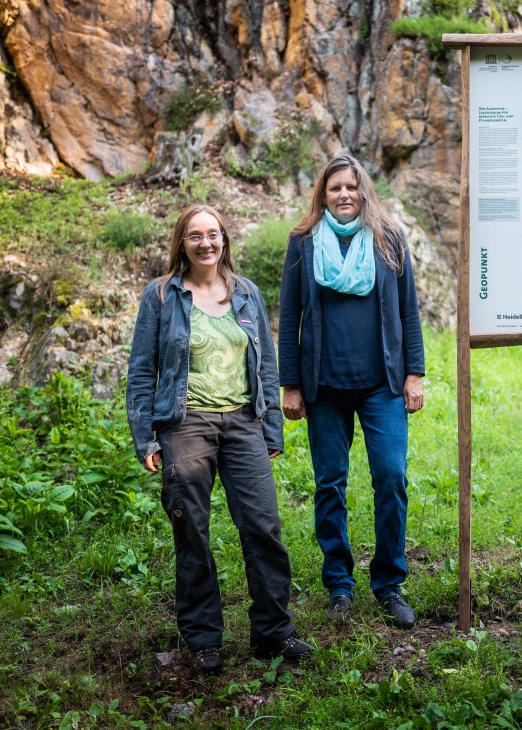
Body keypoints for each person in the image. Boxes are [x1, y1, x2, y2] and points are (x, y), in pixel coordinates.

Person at [126, 204, 313, 675]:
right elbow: (142, 370)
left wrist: (271, 427)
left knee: (263, 526)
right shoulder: (162, 296)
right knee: (192, 532)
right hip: (186, 424)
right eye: (195, 236)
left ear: (224, 239)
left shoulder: (245, 293)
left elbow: (266, 366)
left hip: (244, 424)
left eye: (213, 234)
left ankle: (273, 631)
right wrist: (145, 436)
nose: (206, 243)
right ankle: (204, 638)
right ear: (182, 243)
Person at [278, 154, 425, 629]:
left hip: (382, 383)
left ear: (364, 191)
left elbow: (408, 312)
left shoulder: (387, 238)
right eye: (334, 187)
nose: (344, 195)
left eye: (351, 187)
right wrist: (291, 384)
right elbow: (289, 316)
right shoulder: (302, 243)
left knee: (391, 478)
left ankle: (388, 583)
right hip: (325, 387)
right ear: (322, 194)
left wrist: (414, 374)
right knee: (329, 485)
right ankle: (339, 584)